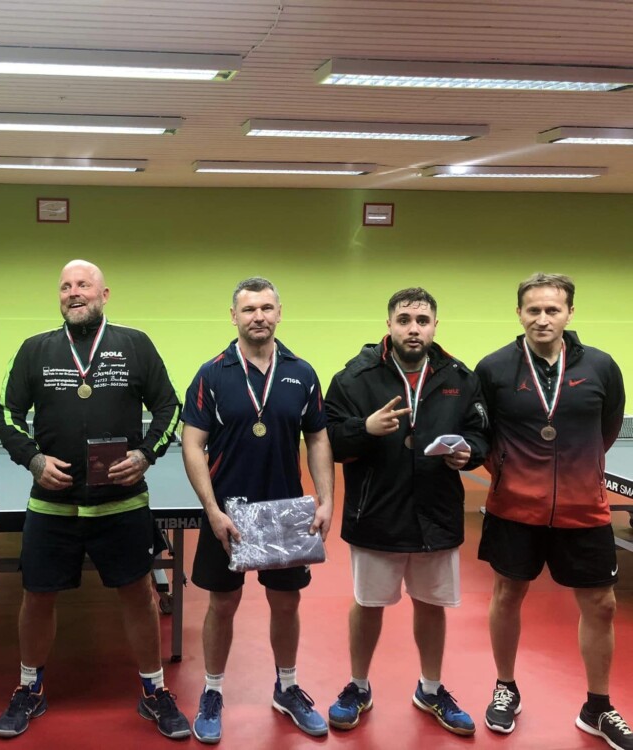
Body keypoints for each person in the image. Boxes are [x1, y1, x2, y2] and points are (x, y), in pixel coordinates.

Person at [0, 259, 189, 739]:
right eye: (65, 286)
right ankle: (29, 688)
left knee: (138, 595)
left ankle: (154, 690)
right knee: (37, 596)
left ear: (104, 294)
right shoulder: (35, 349)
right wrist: (33, 460)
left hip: (122, 503)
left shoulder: (135, 344)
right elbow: (7, 413)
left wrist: (146, 455)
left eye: (83, 284)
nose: (73, 292)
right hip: (51, 504)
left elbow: (169, 406)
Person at [323, 287, 489, 737]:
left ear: (435, 325)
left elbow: (480, 432)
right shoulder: (354, 378)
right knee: (368, 604)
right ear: (389, 324)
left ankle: (430, 689)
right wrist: (365, 428)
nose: (413, 328)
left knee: (432, 605)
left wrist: (469, 453)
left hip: (436, 512)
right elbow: (329, 439)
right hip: (376, 510)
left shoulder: (459, 377)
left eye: (422, 320)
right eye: (404, 320)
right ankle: (358, 686)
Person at [476, 273, 628, 748]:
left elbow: (607, 429)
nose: (542, 319)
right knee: (507, 595)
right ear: (519, 313)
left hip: (584, 508)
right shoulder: (493, 368)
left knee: (602, 605)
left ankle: (597, 707)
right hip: (514, 508)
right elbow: (485, 435)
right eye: (533, 310)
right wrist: (514, 474)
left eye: (552, 310)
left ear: (569, 313)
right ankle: (505, 687)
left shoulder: (601, 366)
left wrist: (579, 472)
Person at [181, 276, 335, 744]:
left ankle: (287, 688)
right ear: (234, 316)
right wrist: (211, 510)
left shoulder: (302, 373)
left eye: (267, 308)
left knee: (286, 603)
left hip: (286, 512)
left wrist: (326, 499)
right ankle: (212, 692)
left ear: (279, 313)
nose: (259, 317)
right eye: (249, 309)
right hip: (228, 514)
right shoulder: (212, 374)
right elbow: (192, 443)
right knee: (222, 604)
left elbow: (318, 437)